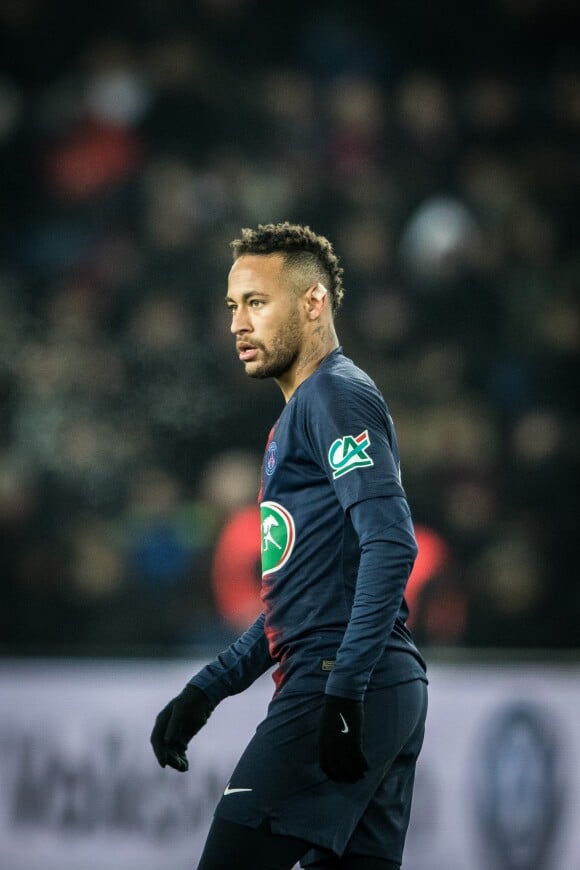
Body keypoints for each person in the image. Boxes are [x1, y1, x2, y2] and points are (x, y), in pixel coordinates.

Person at [151, 223, 428, 870]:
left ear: (313, 302)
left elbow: (392, 544)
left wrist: (343, 692)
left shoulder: (332, 393)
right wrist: (209, 688)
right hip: (375, 682)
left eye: (256, 302)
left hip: (341, 681)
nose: (236, 325)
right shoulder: (301, 413)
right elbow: (303, 598)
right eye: (231, 306)